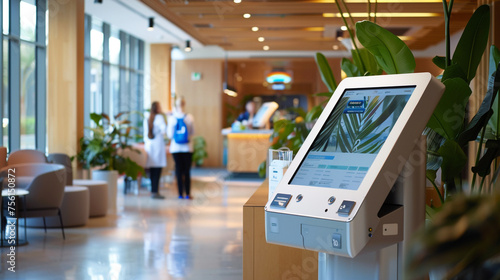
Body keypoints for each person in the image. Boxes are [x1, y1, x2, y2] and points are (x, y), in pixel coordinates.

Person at [167, 96, 195, 199]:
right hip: (187, 148)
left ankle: (180, 194)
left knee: (178, 170)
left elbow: (170, 135)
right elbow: (192, 132)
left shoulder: (172, 118)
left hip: (175, 148)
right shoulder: (189, 117)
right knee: (187, 171)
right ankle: (187, 193)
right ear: (184, 104)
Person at [144, 101, 167, 199]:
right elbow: (164, 130)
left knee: (152, 171)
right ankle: (155, 191)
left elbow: (145, 135)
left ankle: (153, 191)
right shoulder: (160, 118)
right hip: (158, 146)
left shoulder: (147, 118)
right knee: (157, 171)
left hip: (150, 147)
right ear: (157, 108)